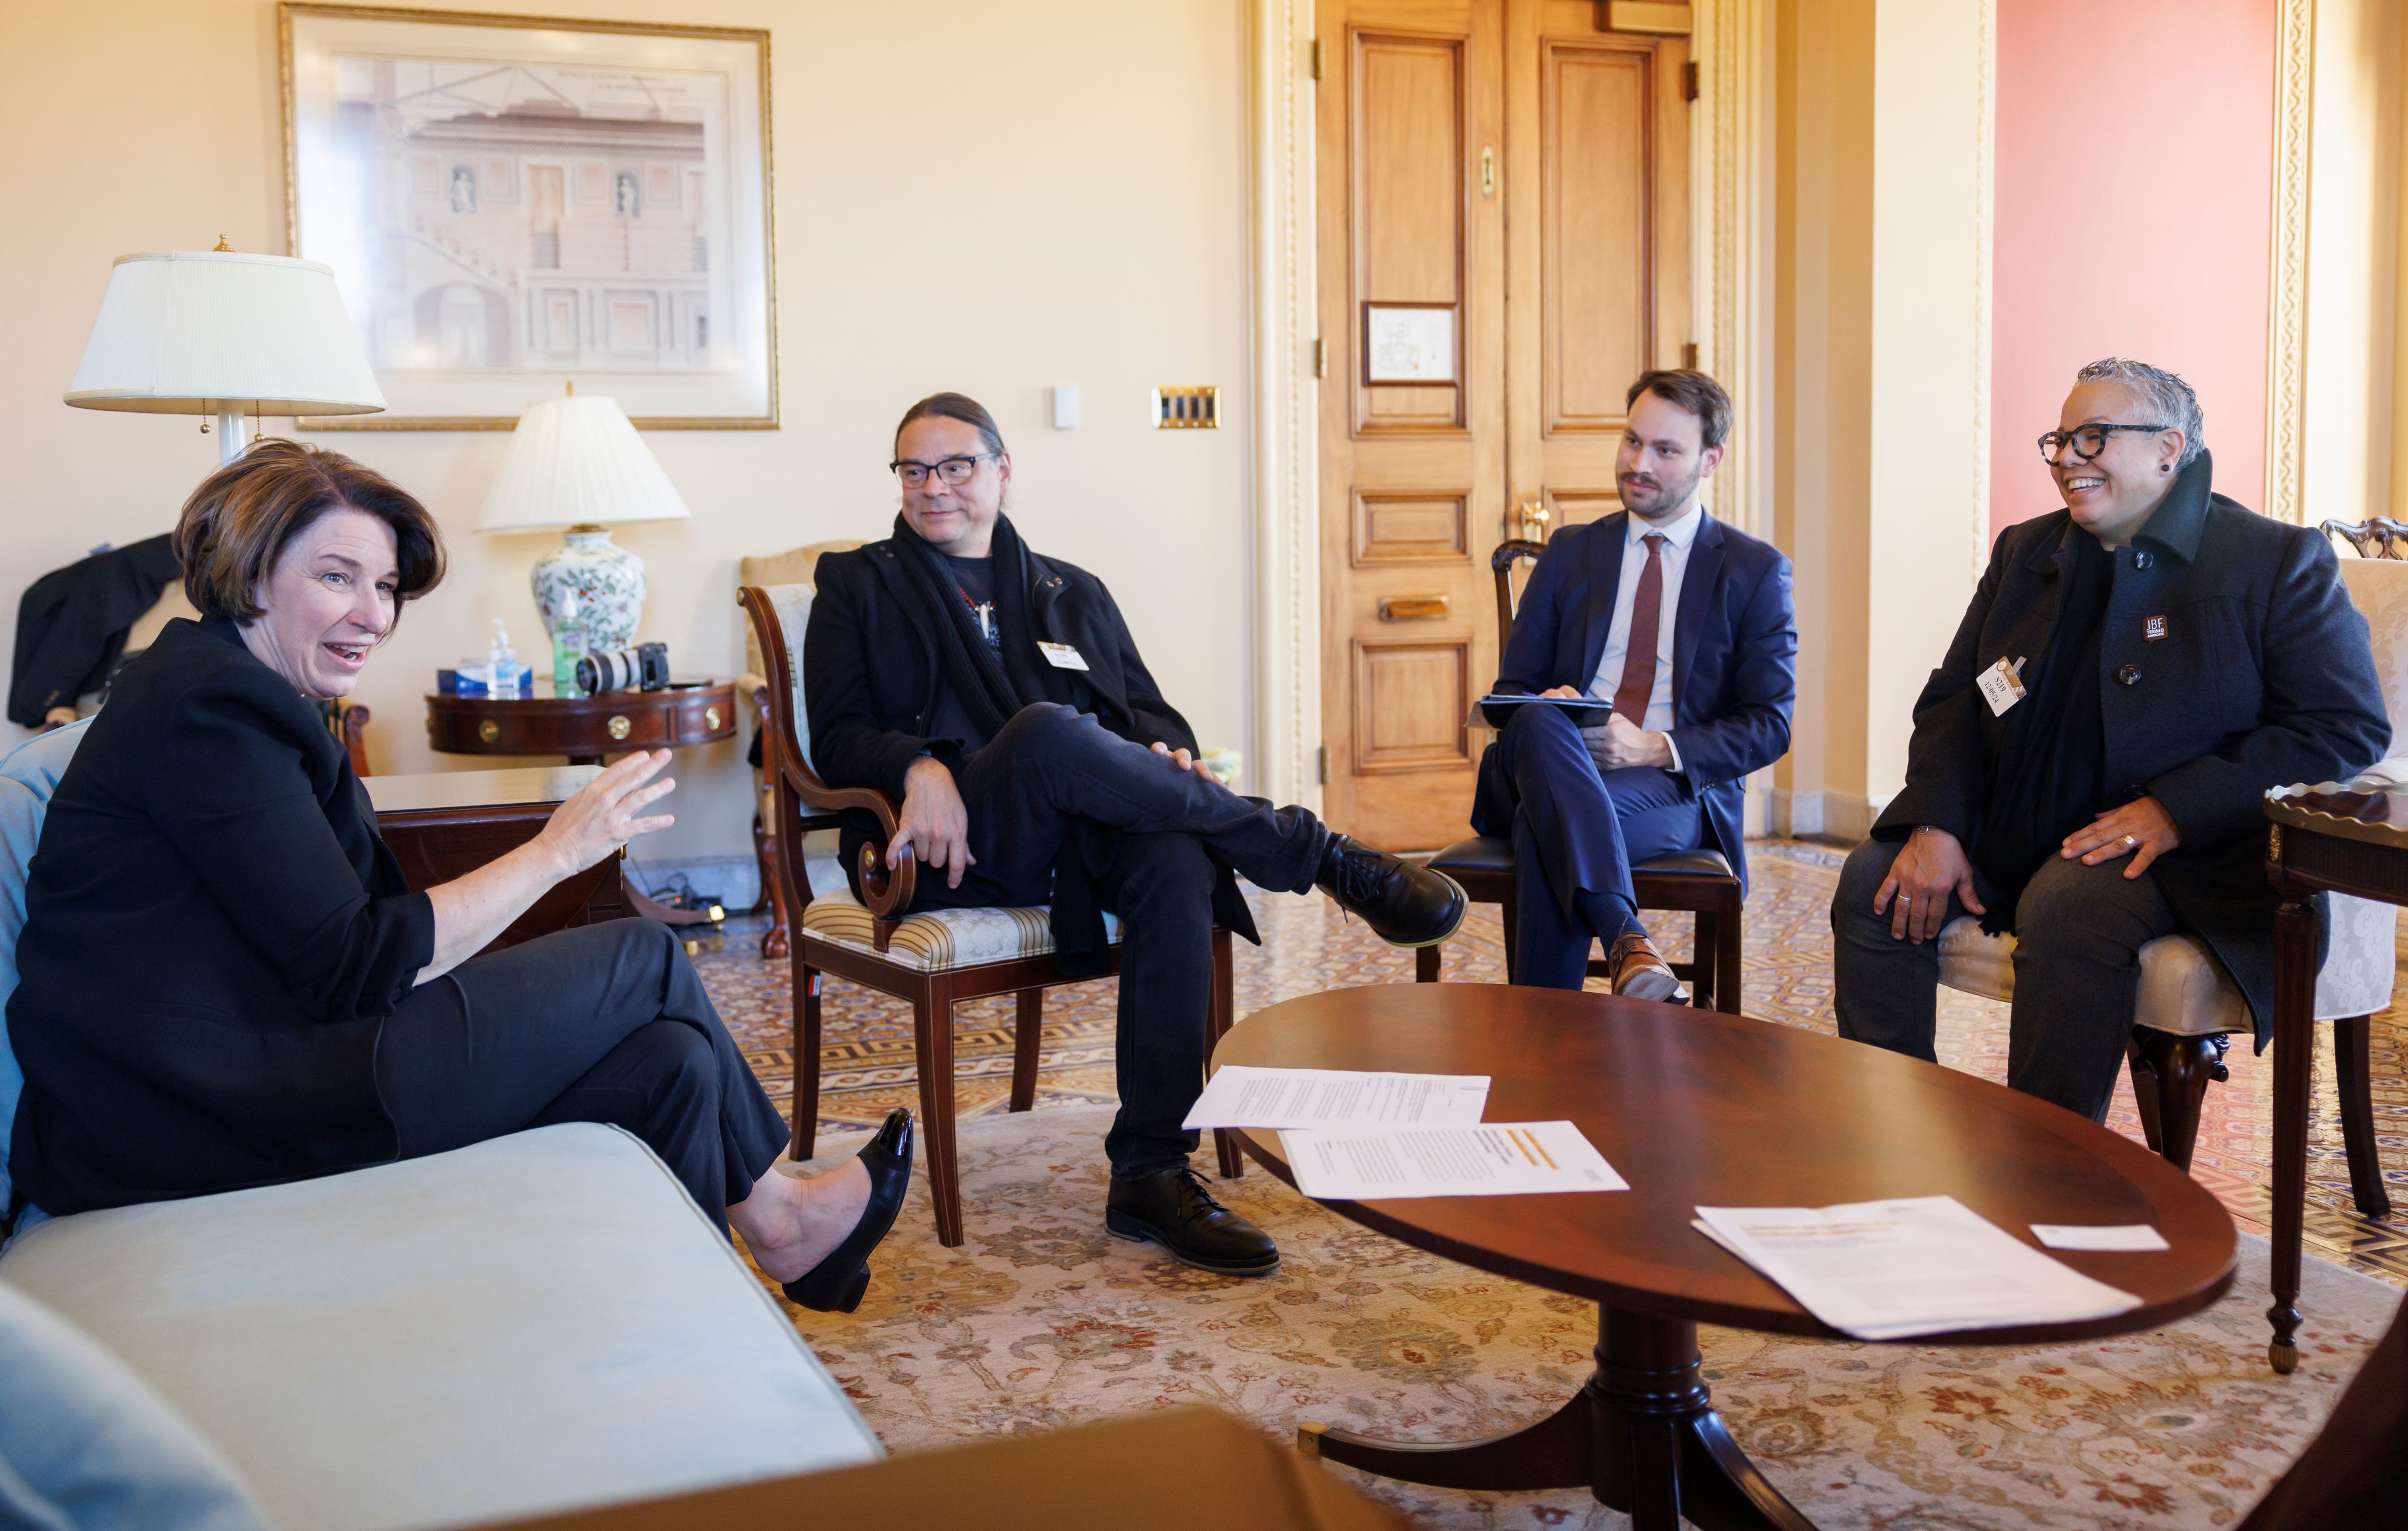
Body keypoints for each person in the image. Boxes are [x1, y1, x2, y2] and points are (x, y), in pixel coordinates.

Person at [6, 441, 909, 1313]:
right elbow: (352, 959)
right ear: (248, 572)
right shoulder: (206, 706)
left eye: (386, 586)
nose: (374, 613)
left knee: (666, 1063)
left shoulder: (237, 693)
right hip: (202, 1110)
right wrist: (556, 850)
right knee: (644, 957)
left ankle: (665, 1317)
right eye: (337, 576)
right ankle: (785, 1222)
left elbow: (346, 928)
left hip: (276, 1051)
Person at [803, 393, 1468, 1277]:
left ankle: (1151, 1169)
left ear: (1003, 470)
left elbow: (1154, 716)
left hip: (1075, 840)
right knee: (1044, 729)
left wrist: (1166, 755)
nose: (935, 488)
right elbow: (836, 735)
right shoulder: (858, 584)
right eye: (914, 469)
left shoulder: (1070, 591)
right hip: (946, 848)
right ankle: (1323, 859)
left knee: (1173, 855)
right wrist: (919, 766)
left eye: (957, 465)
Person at [1831, 358, 2388, 1120]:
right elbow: (1960, 696)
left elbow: (2344, 726)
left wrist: (2175, 809)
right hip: (2022, 824)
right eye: (2060, 439)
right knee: (1873, 881)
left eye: (2093, 438)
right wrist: (1938, 820)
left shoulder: (2274, 559)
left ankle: (2048, 1173)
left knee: (2072, 900)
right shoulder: (2026, 552)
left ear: (2168, 448)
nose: (2066, 459)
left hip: (2198, 855)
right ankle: (1889, 1138)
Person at [1473, 369, 1797, 997]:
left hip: (1668, 790)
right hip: (1550, 761)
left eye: (1665, 450)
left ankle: (1547, 1041)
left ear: (1711, 460)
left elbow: (1770, 723)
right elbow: (1512, 692)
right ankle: (1628, 937)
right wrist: (1550, 705)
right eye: (1631, 441)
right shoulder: (1571, 552)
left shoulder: (1755, 571)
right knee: (1541, 722)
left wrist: (1652, 746)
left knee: (1546, 833)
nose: (1638, 463)